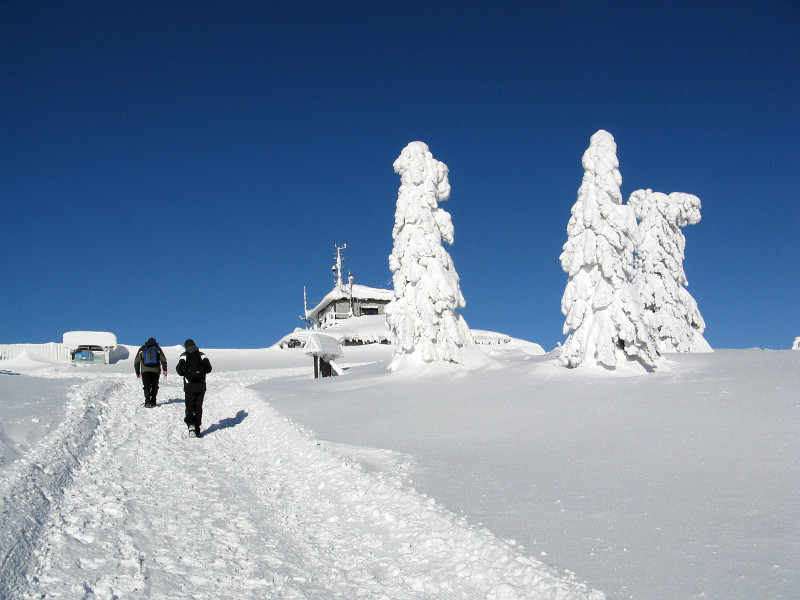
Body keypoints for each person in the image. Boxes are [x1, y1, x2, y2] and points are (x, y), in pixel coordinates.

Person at [176, 339, 212, 437]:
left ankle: (191, 425)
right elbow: (209, 368)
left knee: (189, 406)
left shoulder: (184, 355)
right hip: (201, 385)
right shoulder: (202, 355)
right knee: (198, 407)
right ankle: (197, 428)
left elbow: (179, 370)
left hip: (189, 385)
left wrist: (187, 374)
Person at [134, 337, 167, 407]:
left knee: (146, 386)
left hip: (145, 371)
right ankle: (153, 400)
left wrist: (137, 372)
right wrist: (165, 369)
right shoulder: (157, 348)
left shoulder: (142, 348)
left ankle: (147, 402)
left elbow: (136, 361)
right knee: (155, 386)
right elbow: (163, 359)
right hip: (155, 371)